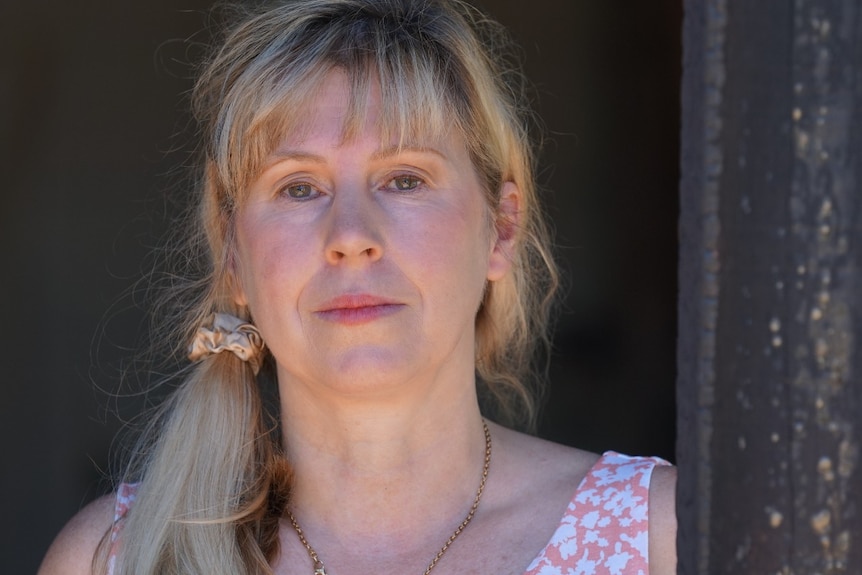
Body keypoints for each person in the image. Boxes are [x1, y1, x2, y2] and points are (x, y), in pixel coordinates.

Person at [38, 0, 677, 573]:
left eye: (404, 179)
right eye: (298, 187)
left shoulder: (659, 538)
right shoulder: (118, 558)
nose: (350, 234)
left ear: (501, 230)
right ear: (233, 253)